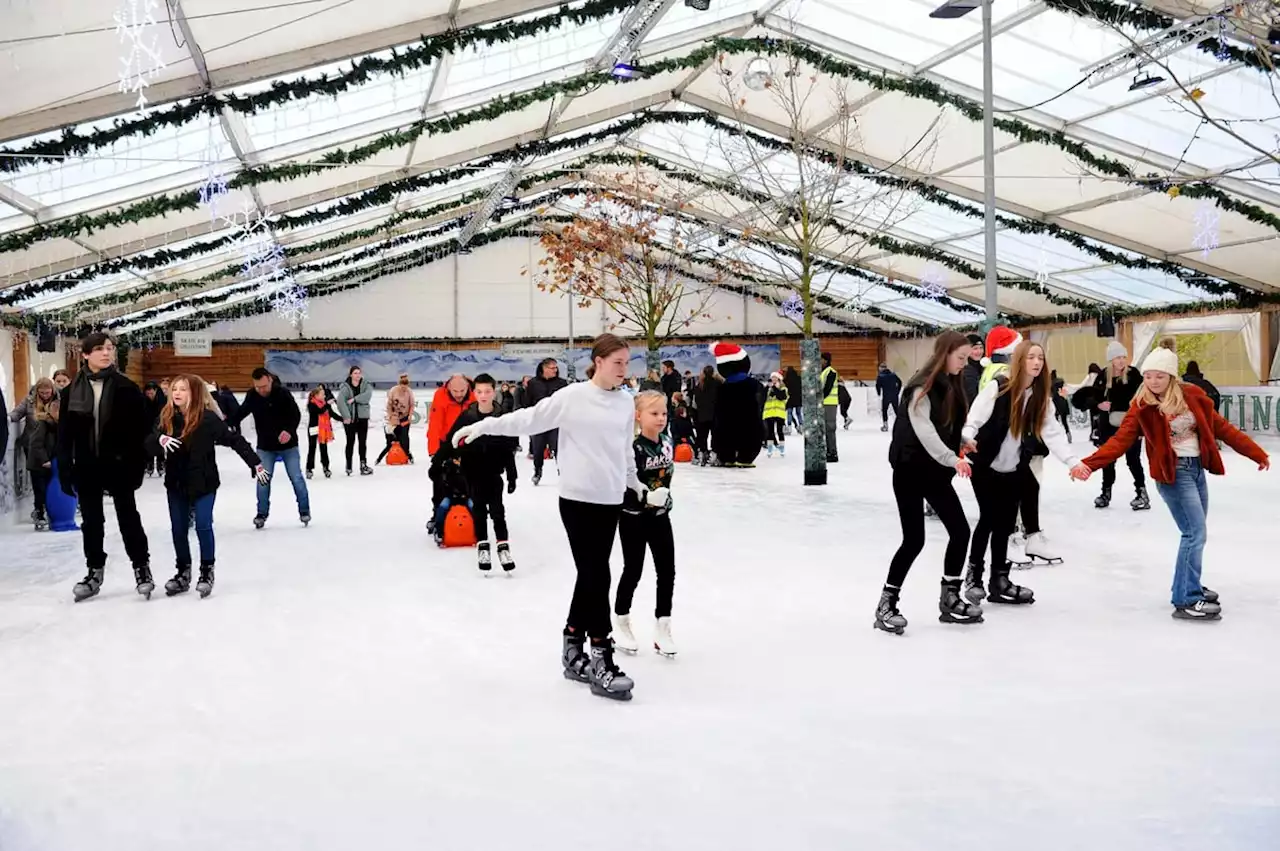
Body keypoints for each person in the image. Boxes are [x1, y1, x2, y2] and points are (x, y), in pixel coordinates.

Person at [451, 334, 643, 702]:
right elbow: (529, 419)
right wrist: (483, 426)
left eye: (626, 363)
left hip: (609, 500)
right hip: (576, 500)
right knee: (597, 573)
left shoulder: (624, 403)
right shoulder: (573, 397)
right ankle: (601, 657)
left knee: (592, 572)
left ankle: (572, 647)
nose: (624, 369)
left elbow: (624, 449)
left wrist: (634, 483)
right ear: (598, 361)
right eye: (618, 362)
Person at [1073, 341, 1268, 620]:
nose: (1152, 381)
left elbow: (1222, 428)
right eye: (1149, 375)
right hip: (1173, 474)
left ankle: (1188, 585)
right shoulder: (1142, 405)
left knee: (1195, 533)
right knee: (1194, 533)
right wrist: (1088, 465)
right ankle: (1186, 598)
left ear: (1171, 377)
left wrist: (1256, 453)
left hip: (1196, 470)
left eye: (1159, 376)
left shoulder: (1193, 395)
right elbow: (1119, 441)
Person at [961, 340, 1089, 607]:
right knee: (989, 519)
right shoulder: (1000, 386)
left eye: (1040, 358)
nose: (1036, 362)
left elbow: (1052, 431)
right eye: (1031, 357)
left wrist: (1072, 462)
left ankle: (999, 581)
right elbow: (975, 416)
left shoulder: (1041, 395)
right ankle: (973, 577)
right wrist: (965, 438)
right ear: (1019, 360)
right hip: (984, 462)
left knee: (1006, 524)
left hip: (1015, 465)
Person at [876, 331, 983, 635]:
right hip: (910, 471)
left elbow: (943, 426)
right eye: (960, 357)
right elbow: (924, 432)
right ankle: (886, 603)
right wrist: (953, 459)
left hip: (934, 472)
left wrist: (961, 441)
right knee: (914, 541)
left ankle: (949, 598)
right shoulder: (920, 387)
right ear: (944, 354)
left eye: (967, 358)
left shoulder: (951, 383)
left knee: (961, 532)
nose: (964, 363)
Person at [150, 375, 267, 598]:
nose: (177, 393)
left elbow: (234, 440)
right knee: (178, 529)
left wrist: (255, 463)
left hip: (204, 482)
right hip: (176, 483)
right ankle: (183, 572)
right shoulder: (165, 417)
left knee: (203, 525)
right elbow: (148, 440)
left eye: (183, 389)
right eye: (174, 389)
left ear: (194, 393)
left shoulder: (207, 419)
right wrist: (159, 440)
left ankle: (206, 571)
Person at [57, 332, 153, 601]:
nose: (106, 353)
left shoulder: (126, 388)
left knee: (128, 517)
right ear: (85, 355)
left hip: (119, 464)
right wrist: (65, 468)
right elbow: (64, 435)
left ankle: (141, 567)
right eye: (99, 349)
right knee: (92, 522)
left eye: (109, 348)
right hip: (87, 465)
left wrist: (136, 465)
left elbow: (141, 431)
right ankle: (94, 570)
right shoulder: (69, 393)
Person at [613, 390, 678, 657]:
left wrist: (665, 499)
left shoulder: (666, 441)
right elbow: (622, 484)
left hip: (660, 518)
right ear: (638, 416)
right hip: (633, 519)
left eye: (663, 413)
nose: (661, 418)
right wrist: (644, 497)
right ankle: (621, 621)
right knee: (633, 571)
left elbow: (666, 477)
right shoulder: (631, 448)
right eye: (654, 413)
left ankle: (663, 626)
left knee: (667, 571)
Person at [442, 373, 519, 573]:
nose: (483, 395)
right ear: (473, 393)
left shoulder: (503, 416)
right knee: (478, 510)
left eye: (487, 391)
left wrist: (512, 475)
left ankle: (503, 547)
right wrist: (446, 461)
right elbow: (451, 441)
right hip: (472, 472)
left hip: (494, 472)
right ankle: (482, 546)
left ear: (494, 392)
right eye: (479, 391)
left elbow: (510, 447)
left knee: (497, 511)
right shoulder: (467, 416)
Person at [229, 367, 310, 529]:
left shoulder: (283, 393)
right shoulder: (253, 395)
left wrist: (288, 430)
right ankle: (261, 514)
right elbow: (241, 412)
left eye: (264, 387)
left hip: (288, 446)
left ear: (270, 380)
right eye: (258, 387)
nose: (261, 390)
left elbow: (295, 415)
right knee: (263, 481)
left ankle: (304, 510)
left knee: (296, 478)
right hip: (265, 447)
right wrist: (227, 423)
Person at [1079, 341, 1149, 510]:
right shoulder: (1103, 376)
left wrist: (1141, 428)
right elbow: (1092, 397)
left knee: (1133, 460)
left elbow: (1142, 399)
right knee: (1108, 460)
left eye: (1124, 357)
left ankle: (1142, 493)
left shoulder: (1133, 375)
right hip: (1108, 426)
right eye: (1118, 357)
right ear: (1111, 359)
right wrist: (1098, 405)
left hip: (1130, 425)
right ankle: (1105, 493)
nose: (1121, 361)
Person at [709, 341, 764, 468]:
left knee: (726, 431)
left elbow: (718, 410)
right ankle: (746, 457)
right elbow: (760, 401)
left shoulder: (722, 388)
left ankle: (728, 457)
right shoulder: (753, 384)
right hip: (750, 421)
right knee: (750, 432)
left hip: (727, 424)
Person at [524, 359, 568, 486]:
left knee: (559, 448)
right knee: (538, 449)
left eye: (556, 367)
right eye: (552, 368)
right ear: (543, 369)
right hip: (539, 422)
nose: (555, 370)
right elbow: (528, 402)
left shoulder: (562, 383)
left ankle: (563, 472)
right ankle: (537, 471)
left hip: (556, 422)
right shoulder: (533, 383)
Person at [23, 381, 58, 530]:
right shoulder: (43, 424)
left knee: (50, 489)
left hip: (50, 462)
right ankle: (39, 513)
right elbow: (35, 444)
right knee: (40, 489)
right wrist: (44, 460)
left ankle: (51, 512)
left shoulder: (59, 424)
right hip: (38, 463)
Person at [334, 366, 373, 476]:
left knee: (362, 442)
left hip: (362, 418)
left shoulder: (366, 384)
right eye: (355, 373)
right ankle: (349, 465)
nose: (357, 375)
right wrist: (347, 417)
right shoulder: (345, 387)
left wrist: (355, 399)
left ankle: (363, 464)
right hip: (350, 420)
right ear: (351, 374)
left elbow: (367, 396)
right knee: (350, 442)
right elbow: (341, 402)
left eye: (359, 373)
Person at [377, 373, 415, 464]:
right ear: (399, 385)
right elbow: (389, 405)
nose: (404, 389)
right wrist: (390, 417)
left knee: (405, 438)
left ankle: (408, 455)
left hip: (405, 417)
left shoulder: (409, 392)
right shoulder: (393, 391)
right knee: (394, 440)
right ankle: (385, 457)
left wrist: (410, 415)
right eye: (402, 387)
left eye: (405, 388)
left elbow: (412, 405)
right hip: (394, 417)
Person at [305, 385, 338, 478]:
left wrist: (344, 419)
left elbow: (331, 414)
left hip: (323, 429)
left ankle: (326, 467)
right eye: (322, 394)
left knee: (324, 448)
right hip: (314, 428)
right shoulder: (311, 404)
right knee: (312, 448)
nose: (324, 396)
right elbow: (320, 411)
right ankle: (309, 469)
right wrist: (327, 404)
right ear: (316, 395)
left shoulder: (325, 404)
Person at [691, 364, 719, 466]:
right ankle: (714, 455)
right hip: (715, 415)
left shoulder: (699, 386)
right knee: (715, 436)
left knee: (702, 436)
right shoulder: (718, 384)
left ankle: (702, 454)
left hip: (701, 415)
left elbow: (695, 402)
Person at [142, 380, 167, 477]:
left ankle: (161, 463)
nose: (149, 395)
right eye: (147, 393)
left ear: (156, 391)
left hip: (160, 425)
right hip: (147, 425)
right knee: (147, 445)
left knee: (159, 445)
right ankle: (149, 464)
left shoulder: (162, 400)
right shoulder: (143, 400)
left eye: (151, 393)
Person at [820, 353, 841, 461]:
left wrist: (820, 398)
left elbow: (827, 388)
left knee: (830, 428)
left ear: (826, 360)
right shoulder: (823, 372)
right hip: (825, 403)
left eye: (822, 359)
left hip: (830, 403)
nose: (820, 361)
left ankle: (832, 452)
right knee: (826, 429)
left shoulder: (831, 372)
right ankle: (828, 451)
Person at [762, 371, 788, 458]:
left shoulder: (783, 388)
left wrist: (774, 388)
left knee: (780, 431)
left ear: (779, 379)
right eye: (772, 378)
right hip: (769, 413)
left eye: (775, 378)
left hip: (779, 413)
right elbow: (762, 397)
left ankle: (782, 448)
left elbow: (782, 397)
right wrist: (767, 388)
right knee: (770, 431)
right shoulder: (768, 388)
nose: (773, 379)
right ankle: (770, 448)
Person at [874, 362, 901, 435]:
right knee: (897, 410)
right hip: (894, 396)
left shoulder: (880, 376)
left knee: (884, 410)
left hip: (886, 396)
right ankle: (901, 425)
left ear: (881, 368)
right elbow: (900, 382)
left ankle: (885, 425)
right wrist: (897, 391)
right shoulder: (893, 374)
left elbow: (877, 385)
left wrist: (879, 393)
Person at [962, 334, 984, 404]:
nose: (979, 351)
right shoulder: (966, 369)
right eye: (975, 348)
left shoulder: (983, 366)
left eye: (981, 348)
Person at [783, 365, 803, 433]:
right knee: (799, 413)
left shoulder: (786, 380)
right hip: (798, 398)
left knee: (789, 413)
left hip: (790, 399)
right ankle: (801, 426)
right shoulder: (799, 378)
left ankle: (789, 427)